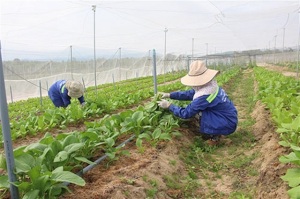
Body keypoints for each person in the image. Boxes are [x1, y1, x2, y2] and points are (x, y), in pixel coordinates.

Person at [157, 60, 238, 145]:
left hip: (227, 123)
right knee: (201, 112)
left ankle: (214, 138)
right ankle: (216, 131)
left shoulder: (204, 96)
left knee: (198, 113)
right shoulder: (210, 86)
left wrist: (169, 106)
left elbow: (186, 113)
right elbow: (189, 94)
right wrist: (170, 95)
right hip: (228, 118)